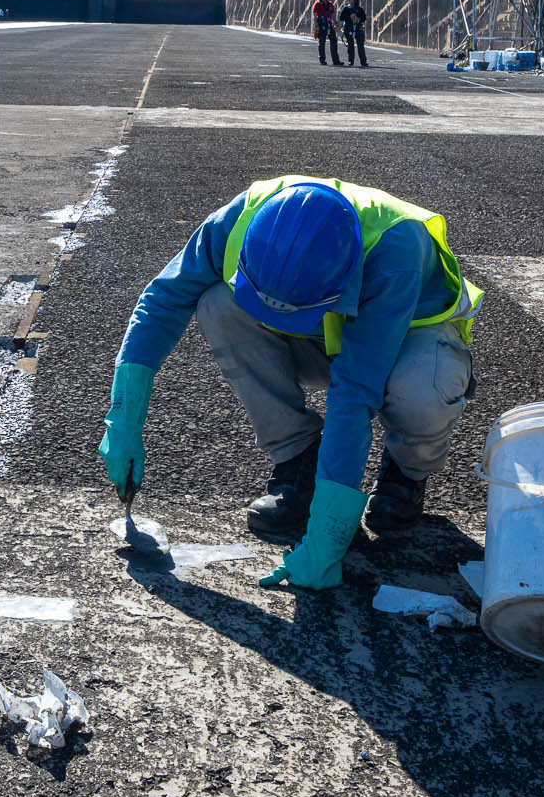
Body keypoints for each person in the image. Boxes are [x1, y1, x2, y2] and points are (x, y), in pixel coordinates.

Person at [98, 176, 482, 589]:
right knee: (218, 303)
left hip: (406, 341)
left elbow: (354, 394)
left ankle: (406, 473)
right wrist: (124, 418)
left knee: (423, 385)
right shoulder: (238, 218)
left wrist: (327, 537)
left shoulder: (397, 249)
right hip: (317, 334)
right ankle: (299, 460)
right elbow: (162, 301)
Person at [310, 0, 340, 66]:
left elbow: (332, 15)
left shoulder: (330, 4)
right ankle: (322, 59)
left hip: (329, 25)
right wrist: (316, 27)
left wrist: (336, 24)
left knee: (334, 41)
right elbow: (315, 16)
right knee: (321, 43)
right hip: (321, 25)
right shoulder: (317, 4)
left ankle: (336, 60)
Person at [339, 0, 370, 67]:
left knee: (360, 46)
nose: (349, 0)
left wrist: (358, 19)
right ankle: (351, 61)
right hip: (349, 28)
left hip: (358, 29)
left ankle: (363, 62)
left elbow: (364, 18)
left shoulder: (359, 9)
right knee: (350, 45)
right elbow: (341, 17)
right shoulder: (346, 9)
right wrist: (349, 17)